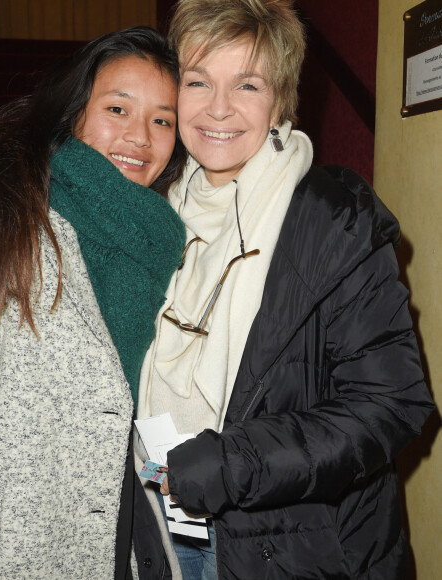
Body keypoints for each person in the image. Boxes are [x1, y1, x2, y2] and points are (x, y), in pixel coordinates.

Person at [137, 1, 435, 578]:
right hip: (164, 525)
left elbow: (391, 403)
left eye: (246, 84)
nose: (218, 108)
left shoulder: (333, 224)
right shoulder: (155, 213)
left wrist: (232, 464)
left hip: (292, 549)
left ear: (280, 101)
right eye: (198, 81)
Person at [0, 27, 187, 579]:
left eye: (162, 119)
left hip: (123, 540)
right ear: (74, 114)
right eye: (118, 108)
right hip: (5, 554)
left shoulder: (168, 243)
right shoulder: (5, 233)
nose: (140, 135)